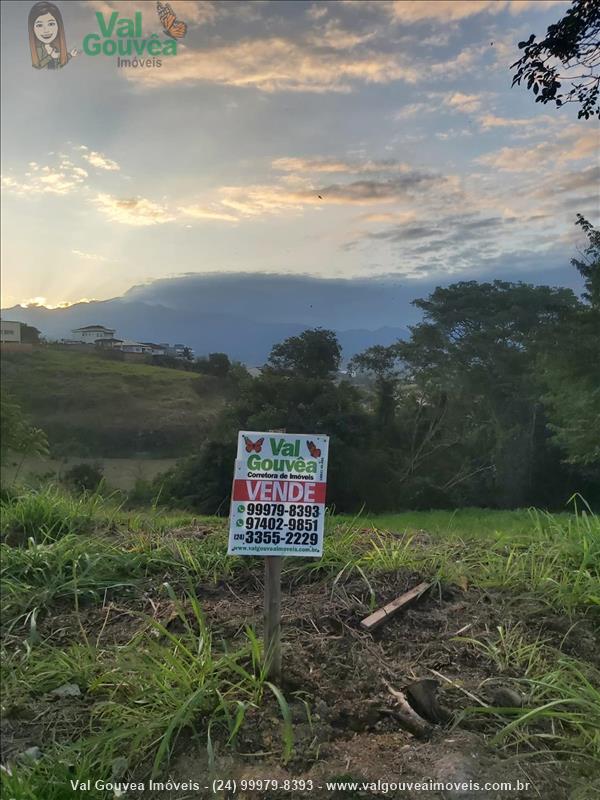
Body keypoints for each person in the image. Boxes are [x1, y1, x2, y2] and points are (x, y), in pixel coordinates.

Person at [28, 1, 77, 70]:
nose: (46, 30)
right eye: (39, 25)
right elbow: (38, 66)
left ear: (58, 26)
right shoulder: (38, 49)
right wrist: (50, 56)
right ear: (33, 29)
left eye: (51, 24)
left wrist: (70, 55)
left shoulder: (56, 47)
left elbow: (60, 65)